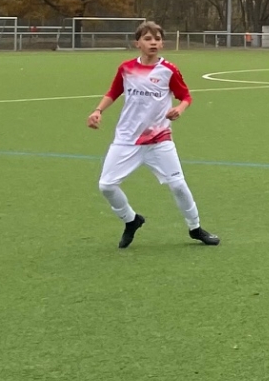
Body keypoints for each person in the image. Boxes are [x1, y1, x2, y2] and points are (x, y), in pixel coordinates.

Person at [87, 20, 220, 248]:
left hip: (159, 140)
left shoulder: (168, 70)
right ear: (137, 43)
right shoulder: (126, 68)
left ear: (162, 43)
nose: (153, 43)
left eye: (157, 39)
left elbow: (186, 96)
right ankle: (131, 220)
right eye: (148, 39)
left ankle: (195, 228)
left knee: (178, 185)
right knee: (106, 186)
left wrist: (179, 109)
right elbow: (114, 92)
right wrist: (98, 111)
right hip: (126, 140)